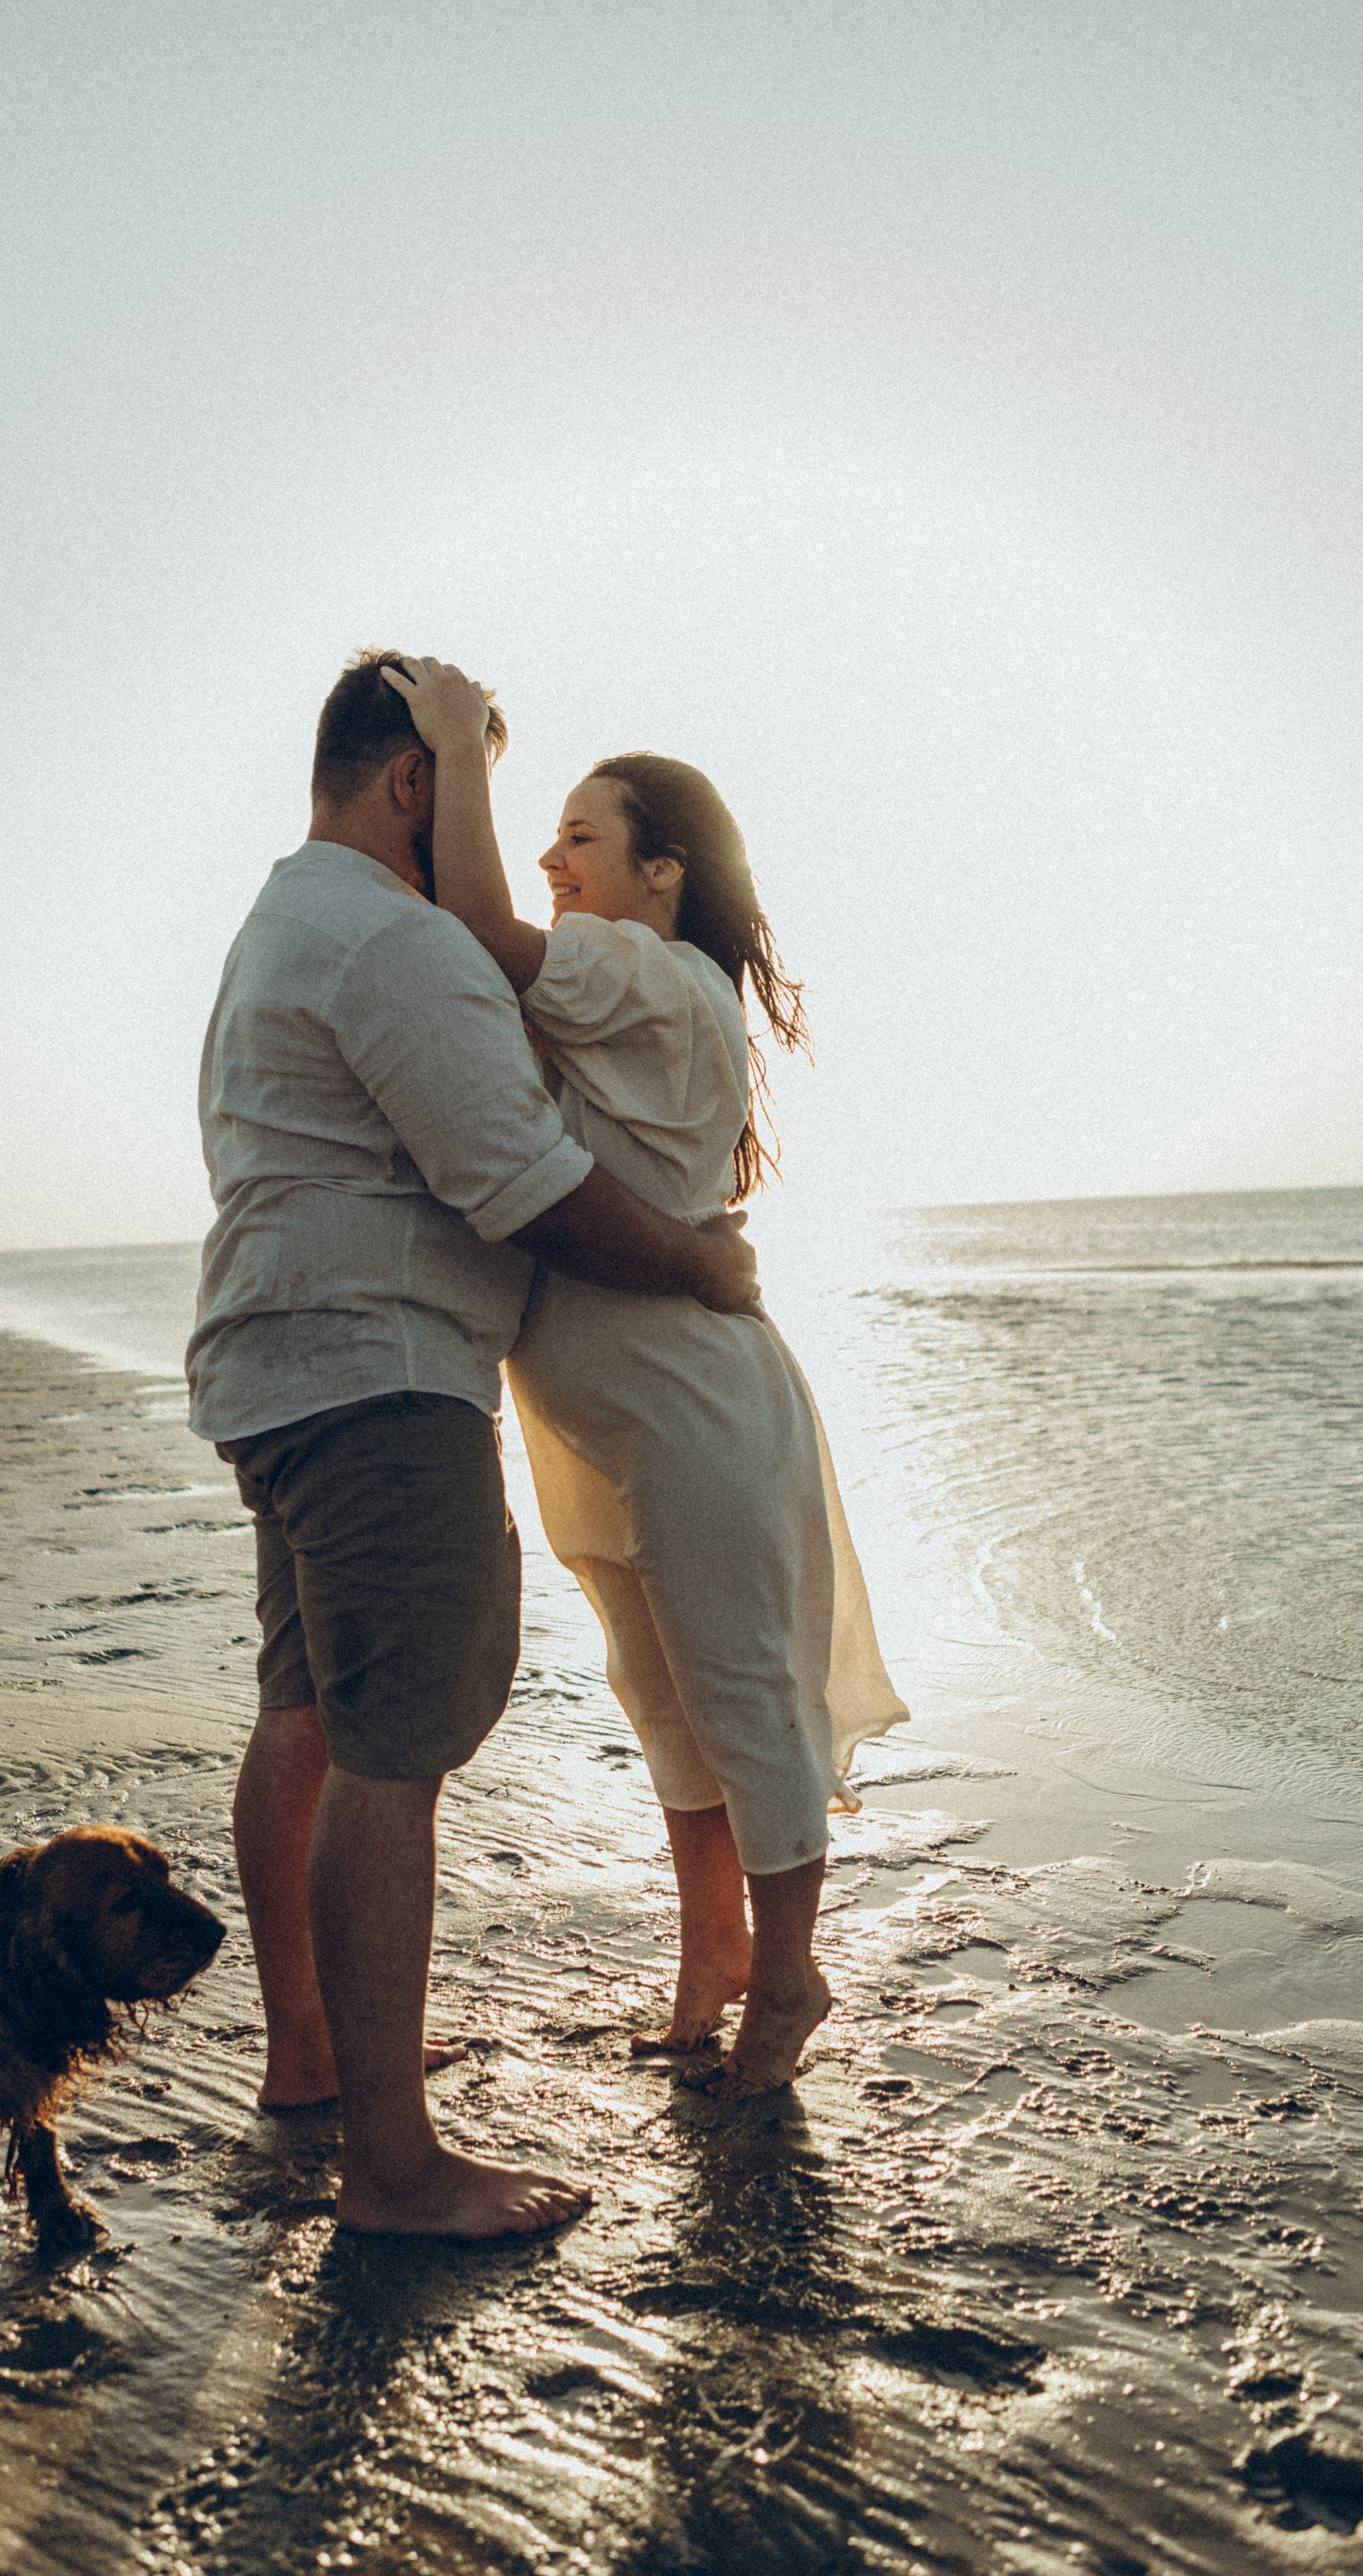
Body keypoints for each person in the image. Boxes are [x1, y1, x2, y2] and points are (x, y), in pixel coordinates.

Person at [187, 646, 760, 2240]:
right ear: (413, 783)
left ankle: (313, 2058)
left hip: (276, 1369)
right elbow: (524, 1188)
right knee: (394, 1751)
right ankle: (392, 2164)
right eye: (474, 792)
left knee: (306, 1712)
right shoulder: (394, 939)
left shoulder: (280, 918)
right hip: (381, 1385)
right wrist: (699, 1264)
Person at [385, 656, 908, 2094]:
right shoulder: (616, 996)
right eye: (549, 833)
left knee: (741, 1698)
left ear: (663, 871)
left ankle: (789, 1978)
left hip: (691, 1411)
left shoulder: (658, 978)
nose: (552, 859)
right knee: (664, 1707)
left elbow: (478, 923)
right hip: (605, 1427)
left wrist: (458, 746)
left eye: (581, 837)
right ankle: (712, 1960)